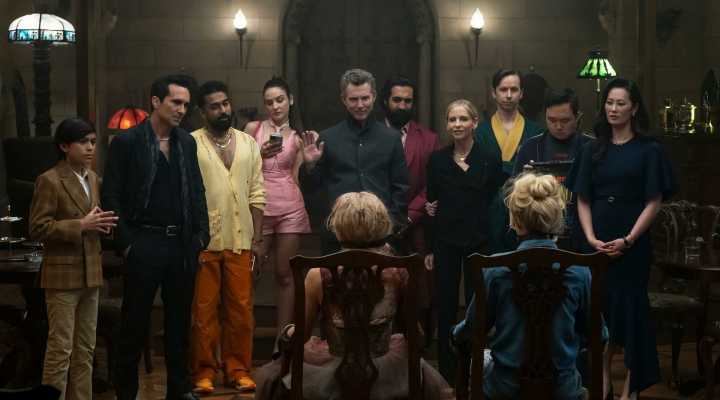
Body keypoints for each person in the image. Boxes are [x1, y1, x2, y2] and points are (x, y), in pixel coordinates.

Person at [254, 191, 453, 400]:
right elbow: (415, 335)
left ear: (338, 225)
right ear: (381, 223)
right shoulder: (398, 272)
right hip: (385, 371)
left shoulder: (317, 275)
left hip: (336, 369)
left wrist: (287, 333)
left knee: (274, 373)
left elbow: (300, 336)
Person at [102, 75, 210, 400]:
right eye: (175, 102)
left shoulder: (186, 142)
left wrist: (201, 236)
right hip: (144, 241)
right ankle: (127, 393)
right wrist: (127, 243)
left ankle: (179, 389)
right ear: (155, 101)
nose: (181, 110)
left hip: (181, 243)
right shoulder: (127, 142)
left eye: (185, 104)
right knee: (134, 324)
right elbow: (111, 195)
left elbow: (197, 191)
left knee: (179, 325)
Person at [566, 77, 675, 399]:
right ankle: (601, 383)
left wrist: (628, 240)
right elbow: (581, 198)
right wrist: (591, 239)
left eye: (620, 103)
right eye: (609, 103)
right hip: (595, 246)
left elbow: (654, 201)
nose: (613, 109)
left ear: (634, 108)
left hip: (633, 246)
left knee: (631, 314)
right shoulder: (592, 148)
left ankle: (630, 388)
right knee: (598, 314)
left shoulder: (649, 150)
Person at [452, 173, 596, 400]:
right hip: (562, 390)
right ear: (557, 217)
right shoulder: (580, 271)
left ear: (515, 221)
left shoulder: (495, 270)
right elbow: (598, 335)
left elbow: (470, 332)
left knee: (484, 361)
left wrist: (456, 334)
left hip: (505, 390)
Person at [29, 118, 117, 400]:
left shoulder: (92, 177)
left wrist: (100, 226)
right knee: (60, 349)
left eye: (93, 142)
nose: (90, 147)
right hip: (62, 276)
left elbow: (92, 220)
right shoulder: (50, 180)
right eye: (83, 142)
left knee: (85, 350)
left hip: (91, 272)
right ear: (64, 146)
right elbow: (37, 228)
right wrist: (80, 225)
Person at [190, 80, 265, 394]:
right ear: (202, 111)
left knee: (241, 311)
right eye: (214, 106)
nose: (222, 110)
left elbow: (257, 193)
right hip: (204, 242)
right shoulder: (191, 143)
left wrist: (257, 240)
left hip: (241, 239)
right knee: (203, 312)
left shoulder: (248, 143)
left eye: (225, 104)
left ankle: (238, 370)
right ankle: (204, 371)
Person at [424, 99, 504, 382]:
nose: (457, 124)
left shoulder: (489, 157)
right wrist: (429, 248)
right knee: (445, 305)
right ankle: (447, 370)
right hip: (445, 241)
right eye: (452, 119)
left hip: (478, 241)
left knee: (476, 305)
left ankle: (473, 366)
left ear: (474, 123)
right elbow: (431, 204)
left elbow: (494, 199)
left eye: (462, 119)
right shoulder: (437, 160)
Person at [302, 68, 409, 253]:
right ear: (343, 99)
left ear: (374, 96)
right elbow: (312, 191)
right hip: (336, 236)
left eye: (365, 98)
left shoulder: (391, 138)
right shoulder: (328, 138)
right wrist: (310, 166)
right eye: (353, 99)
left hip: (381, 237)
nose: (360, 105)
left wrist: (389, 231)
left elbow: (401, 188)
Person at [244, 76, 311, 336]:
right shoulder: (253, 129)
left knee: (285, 274)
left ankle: (282, 340)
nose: (275, 106)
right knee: (250, 272)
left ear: (290, 100)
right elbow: (238, 167)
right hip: (258, 207)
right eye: (269, 102)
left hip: (290, 207)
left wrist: (312, 163)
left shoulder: (298, 138)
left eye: (280, 100)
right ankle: (243, 334)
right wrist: (258, 154)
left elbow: (297, 178)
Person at [514, 88, 594, 250]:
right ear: (545, 116)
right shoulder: (530, 148)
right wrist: (524, 181)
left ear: (578, 116)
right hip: (539, 234)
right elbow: (513, 197)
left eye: (565, 120)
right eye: (551, 120)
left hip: (584, 232)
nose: (558, 126)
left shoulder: (592, 148)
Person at [475, 69, 542, 253]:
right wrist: (517, 168)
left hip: (525, 210)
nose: (509, 95)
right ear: (493, 93)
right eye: (503, 89)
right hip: (489, 210)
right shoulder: (480, 132)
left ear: (522, 93)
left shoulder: (535, 131)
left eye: (514, 89)